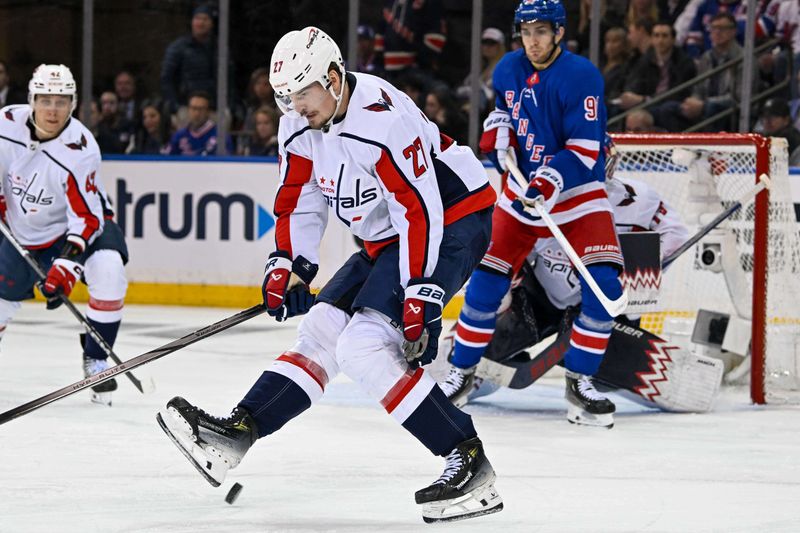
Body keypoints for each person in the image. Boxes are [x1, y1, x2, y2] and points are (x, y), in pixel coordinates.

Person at [156, 27, 502, 523]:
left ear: (334, 78)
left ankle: (468, 459)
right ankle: (237, 434)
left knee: (362, 346)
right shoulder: (298, 124)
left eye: (303, 92)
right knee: (320, 328)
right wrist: (289, 264)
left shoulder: (382, 118)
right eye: (285, 97)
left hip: (452, 217)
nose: (295, 106)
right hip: (390, 234)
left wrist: (422, 292)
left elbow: (418, 208)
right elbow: (299, 197)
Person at [452, 0, 624, 429]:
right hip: (519, 196)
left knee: (604, 288)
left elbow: (586, 149)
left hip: (577, 195)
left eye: (542, 31)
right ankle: (461, 372)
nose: (533, 40)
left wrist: (548, 179)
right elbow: (505, 113)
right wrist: (500, 130)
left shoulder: (582, 76)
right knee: (487, 282)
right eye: (526, 31)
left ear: (560, 33)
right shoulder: (507, 69)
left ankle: (580, 383)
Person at [441, 136, 701, 411]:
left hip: (597, 305)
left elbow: (676, 236)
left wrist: (635, 272)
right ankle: (478, 376)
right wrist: (505, 288)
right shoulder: (535, 200)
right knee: (485, 348)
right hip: (537, 299)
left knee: (602, 363)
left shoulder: (639, 199)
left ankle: (596, 380)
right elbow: (504, 251)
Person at [0, 64, 129, 405]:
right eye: (45, 100)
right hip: (22, 228)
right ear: (31, 100)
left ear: (73, 104)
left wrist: (66, 264)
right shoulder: (5, 125)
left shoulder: (80, 149)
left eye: (62, 101)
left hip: (80, 227)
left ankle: (96, 357)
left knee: (109, 271)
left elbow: (86, 218)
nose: (53, 109)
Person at [166, 91, 233, 156]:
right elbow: (167, 159)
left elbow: (224, 162)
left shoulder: (220, 136)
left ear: (208, 111)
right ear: (188, 110)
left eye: (201, 109)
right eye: (193, 108)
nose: (196, 113)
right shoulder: (180, 135)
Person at [758, 97, 800, 165]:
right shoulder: (767, 136)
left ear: (786, 120)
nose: (768, 121)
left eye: (774, 116)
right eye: (765, 117)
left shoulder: (792, 138)